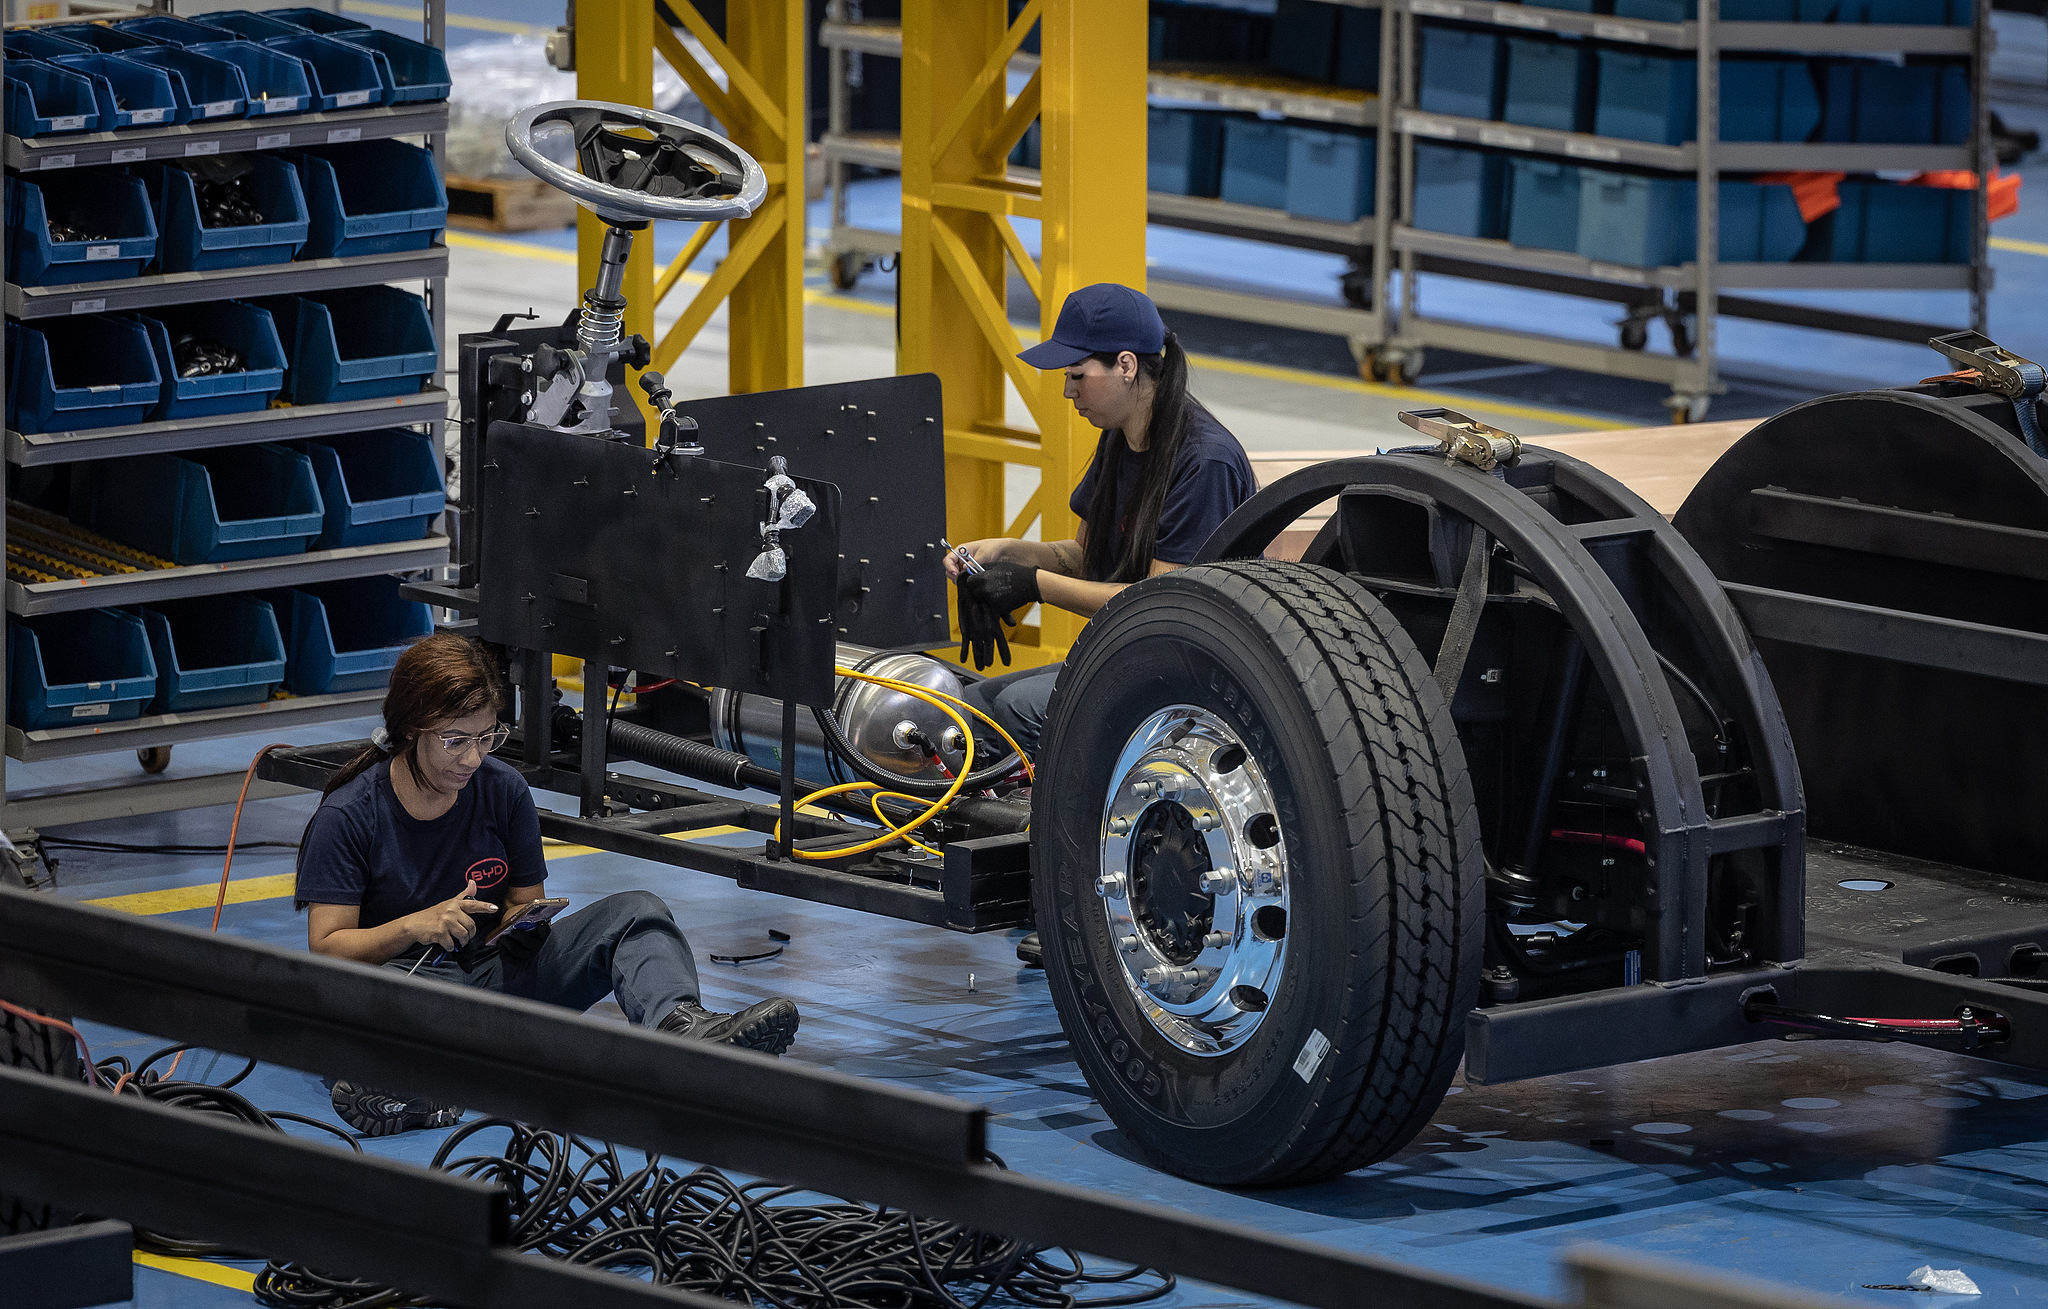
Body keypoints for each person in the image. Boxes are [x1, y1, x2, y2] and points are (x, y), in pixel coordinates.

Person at [296, 633, 799, 1137]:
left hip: (492, 980)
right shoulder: (349, 816)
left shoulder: (501, 789)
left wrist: (524, 921)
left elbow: (523, 900)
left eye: (486, 737)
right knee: (399, 1004)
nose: (472, 759)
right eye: (455, 740)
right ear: (411, 729)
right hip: (410, 982)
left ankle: (683, 1035)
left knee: (636, 912)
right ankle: (414, 1078)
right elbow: (328, 949)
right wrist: (414, 927)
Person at [949, 283, 1255, 757]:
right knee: (965, 710)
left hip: (1188, 673)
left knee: (1009, 716)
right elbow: (1082, 558)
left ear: (1127, 366)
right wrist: (1002, 553)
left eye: (1077, 375)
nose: (1068, 391)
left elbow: (1158, 603)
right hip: (1129, 654)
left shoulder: (1203, 463)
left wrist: (1034, 586)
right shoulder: (1120, 438)